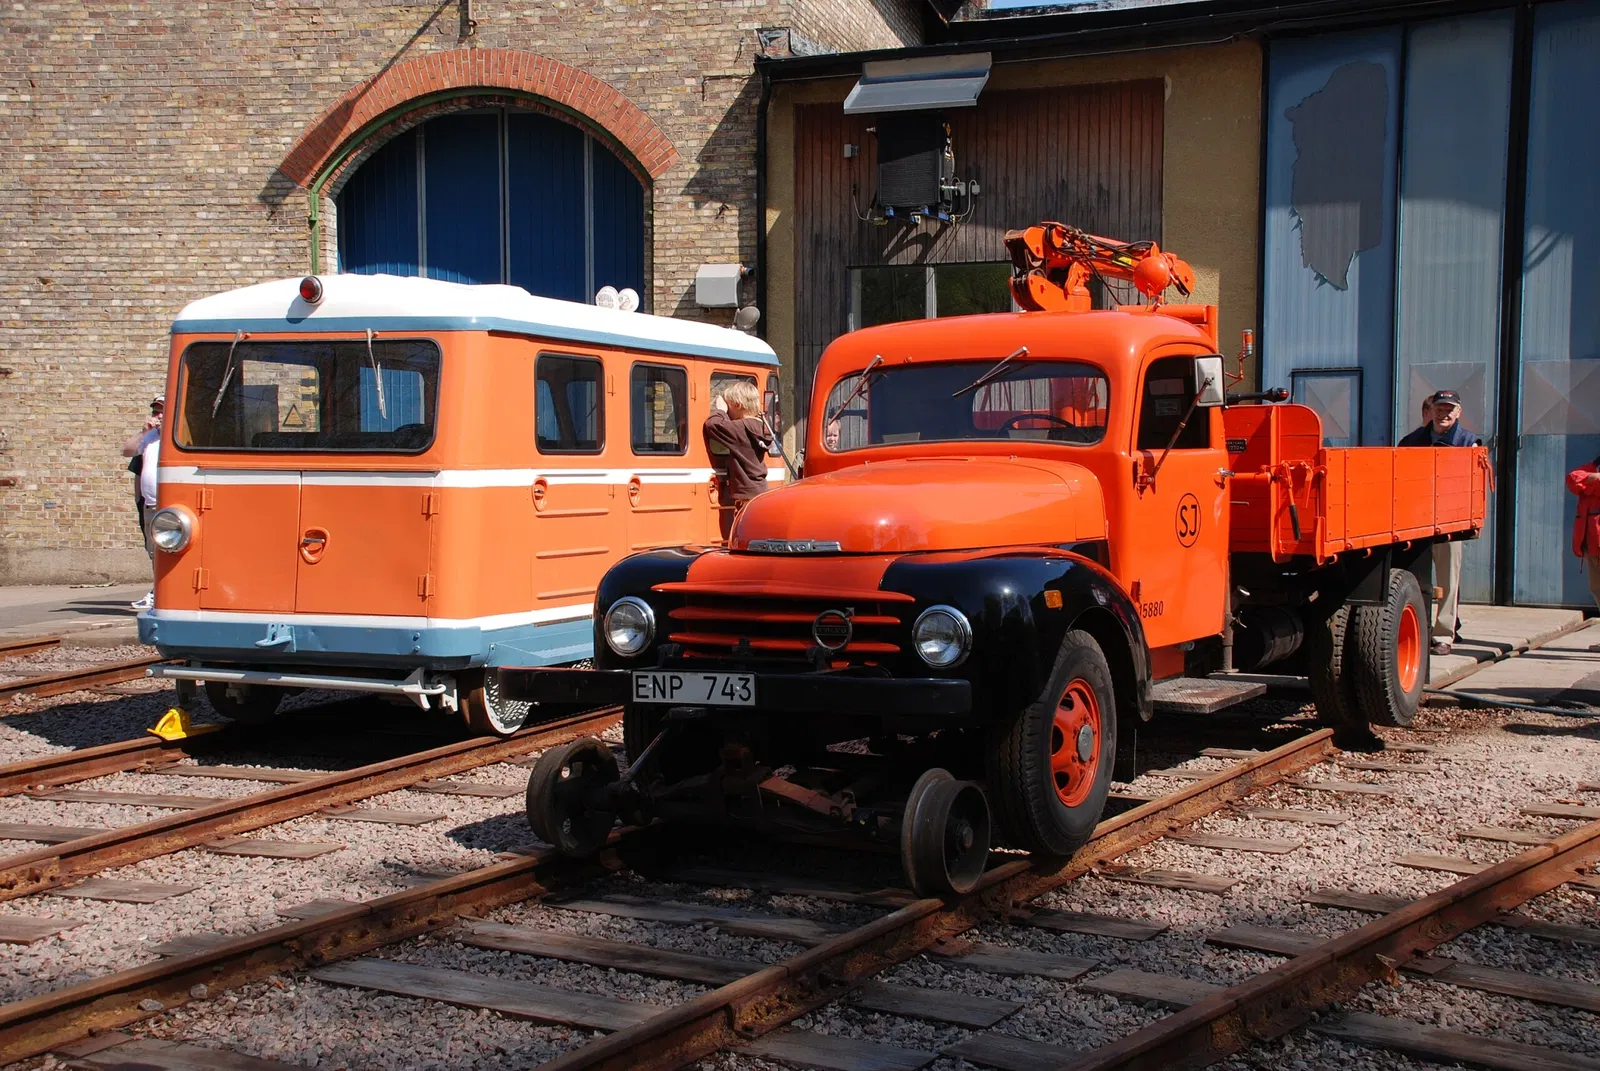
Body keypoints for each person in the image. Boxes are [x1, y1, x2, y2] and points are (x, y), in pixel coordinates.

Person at [1398, 389, 1480, 655]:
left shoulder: (1469, 443)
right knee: (1411, 579)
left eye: (1449, 409)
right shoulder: (1411, 441)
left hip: (1450, 523)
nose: (1444, 413)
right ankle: (1416, 631)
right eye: (1439, 408)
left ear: (1458, 413)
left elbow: (1474, 483)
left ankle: (1444, 634)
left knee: (1448, 578)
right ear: (1430, 411)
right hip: (1415, 521)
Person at [703, 380, 773, 541]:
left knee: (745, 538)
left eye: (729, 406)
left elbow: (713, 425)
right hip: (759, 490)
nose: (728, 412)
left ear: (738, 405)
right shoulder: (760, 425)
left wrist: (720, 410)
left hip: (747, 495)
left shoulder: (742, 429)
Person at [121, 396, 163, 611]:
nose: (159, 416)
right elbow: (127, 450)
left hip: (170, 504)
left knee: (169, 548)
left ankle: (164, 592)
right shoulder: (149, 438)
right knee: (153, 550)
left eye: (163, 411)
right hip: (150, 502)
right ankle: (159, 590)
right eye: (156, 411)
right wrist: (143, 432)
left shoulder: (178, 436)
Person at [1565, 454, 1600, 648]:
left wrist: (1590, 483)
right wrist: (1593, 479)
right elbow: (1572, 479)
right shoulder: (1592, 466)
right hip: (1592, 543)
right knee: (1597, 589)